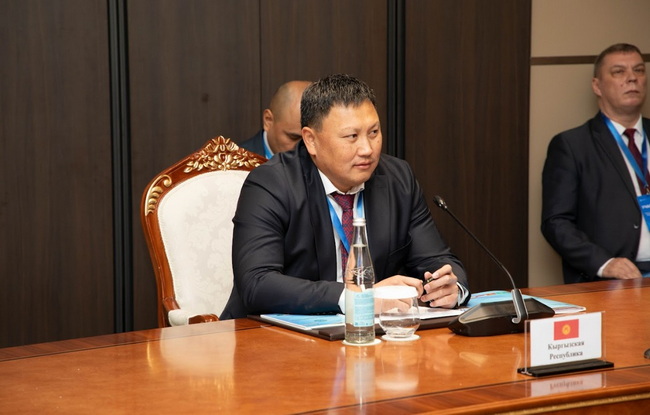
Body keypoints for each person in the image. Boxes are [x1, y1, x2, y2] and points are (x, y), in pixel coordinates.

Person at [221, 74, 469, 319]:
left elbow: (437, 259)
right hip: (272, 336)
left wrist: (450, 288)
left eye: (374, 132)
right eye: (352, 137)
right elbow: (257, 283)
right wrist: (352, 298)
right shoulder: (271, 183)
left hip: (372, 335)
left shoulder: (398, 179)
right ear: (311, 140)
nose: (367, 149)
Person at [541, 43, 649, 283]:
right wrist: (605, 263)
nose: (632, 78)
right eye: (619, 72)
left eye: (639, 70)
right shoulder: (572, 145)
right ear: (597, 86)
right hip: (611, 281)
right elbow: (556, 222)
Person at [238, 80, 311, 158]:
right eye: (293, 137)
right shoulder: (237, 160)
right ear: (268, 120)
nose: (306, 148)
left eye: (311, 138)